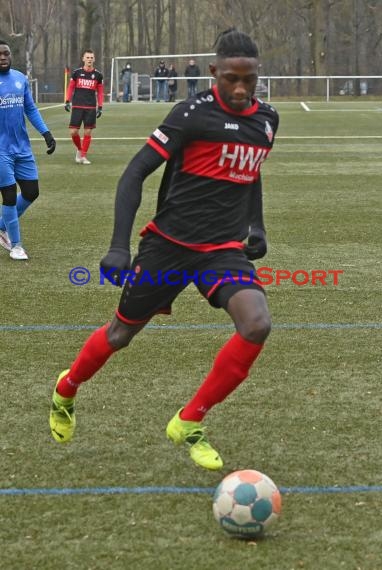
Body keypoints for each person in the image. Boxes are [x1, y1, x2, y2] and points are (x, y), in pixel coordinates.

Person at [49, 29, 279, 472]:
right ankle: (67, 389)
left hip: (222, 251)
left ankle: (189, 421)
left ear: (256, 76)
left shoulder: (267, 120)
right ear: (214, 73)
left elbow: (252, 171)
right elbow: (134, 173)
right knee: (120, 335)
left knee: (256, 324)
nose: (239, 88)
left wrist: (257, 224)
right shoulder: (191, 114)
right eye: (230, 78)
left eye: (247, 80)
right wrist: (118, 246)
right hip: (168, 248)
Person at [0, 40, 56, 261]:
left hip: (22, 148)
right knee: (10, 196)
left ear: (11, 56)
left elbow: (30, 109)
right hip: (1, 150)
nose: (2, 57)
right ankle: (16, 246)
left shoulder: (20, 79)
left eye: (6, 53)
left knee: (32, 192)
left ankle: (2, 225)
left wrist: (46, 133)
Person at [65, 49, 104, 165]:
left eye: (91, 58)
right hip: (77, 106)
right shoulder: (76, 73)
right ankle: (80, 149)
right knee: (73, 132)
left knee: (87, 132)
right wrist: (67, 100)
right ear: (83, 59)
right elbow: (71, 87)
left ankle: (83, 156)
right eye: (87, 57)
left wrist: (100, 106)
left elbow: (100, 92)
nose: (89, 60)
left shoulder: (98, 75)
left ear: (94, 59)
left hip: (91, 107)